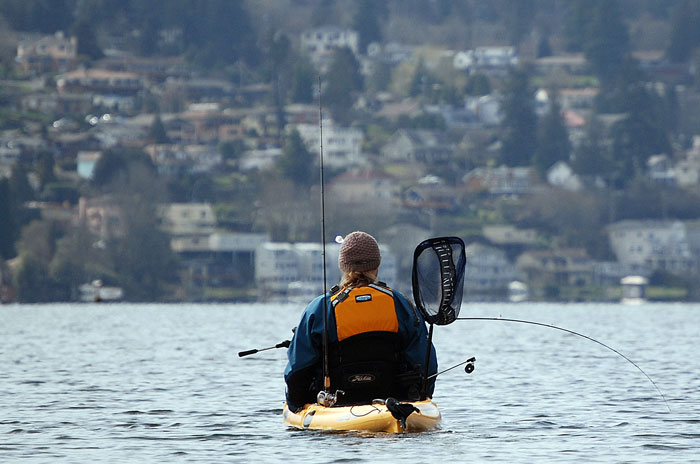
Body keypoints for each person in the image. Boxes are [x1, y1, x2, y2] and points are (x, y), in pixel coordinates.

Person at [284, 231, 437, 411]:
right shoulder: (401, 304)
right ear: (377, 266)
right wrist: (423, 395)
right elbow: (426, 362)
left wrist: (296, 404)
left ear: (343, 267)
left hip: (336, 403)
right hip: (394, 400)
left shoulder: (320, 307)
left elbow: (298, 368)